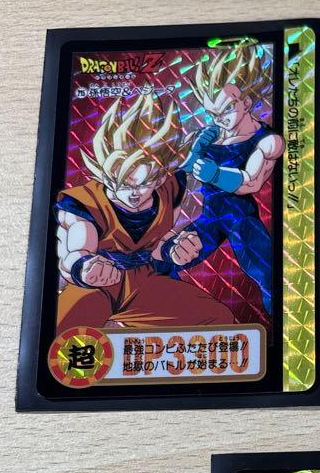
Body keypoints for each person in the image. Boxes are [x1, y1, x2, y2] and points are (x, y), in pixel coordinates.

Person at [53, 89, 233, 331]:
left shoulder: (170, 188)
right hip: (96, 287)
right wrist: (85, 268)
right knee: (61, 332)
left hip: (145, 283)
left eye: (144, 184)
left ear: (160, 176)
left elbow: (159, 243)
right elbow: (76, 251)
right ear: (106, 172)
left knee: (218, 319)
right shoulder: (85, 203)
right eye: (124, 184)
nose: (134, 194)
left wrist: (173, 249)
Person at [176, 41, 283, 316]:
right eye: (212, 113)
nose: (219, 119)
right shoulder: (211, 134)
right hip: (210, 218)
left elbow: (251, 182)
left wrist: (214, 173)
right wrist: (194, 151)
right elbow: (180, 168)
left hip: (241, 220)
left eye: (225, 110)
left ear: (246, 102)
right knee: (168, 260)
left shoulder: (268, 140)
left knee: (270, 277)